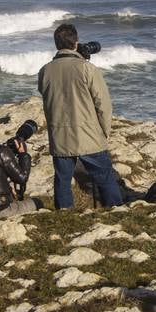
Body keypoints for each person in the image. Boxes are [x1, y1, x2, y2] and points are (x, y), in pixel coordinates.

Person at [37, 23, 123, 209]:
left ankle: (64, 213)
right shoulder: (87, 69)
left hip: (59, 135)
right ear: (76, 43)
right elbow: (103, 103)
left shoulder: (45, 70)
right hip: (88, 135)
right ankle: (115, 210)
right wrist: (104, 130)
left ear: (56, 45)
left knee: (62, 180)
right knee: (105, 177)